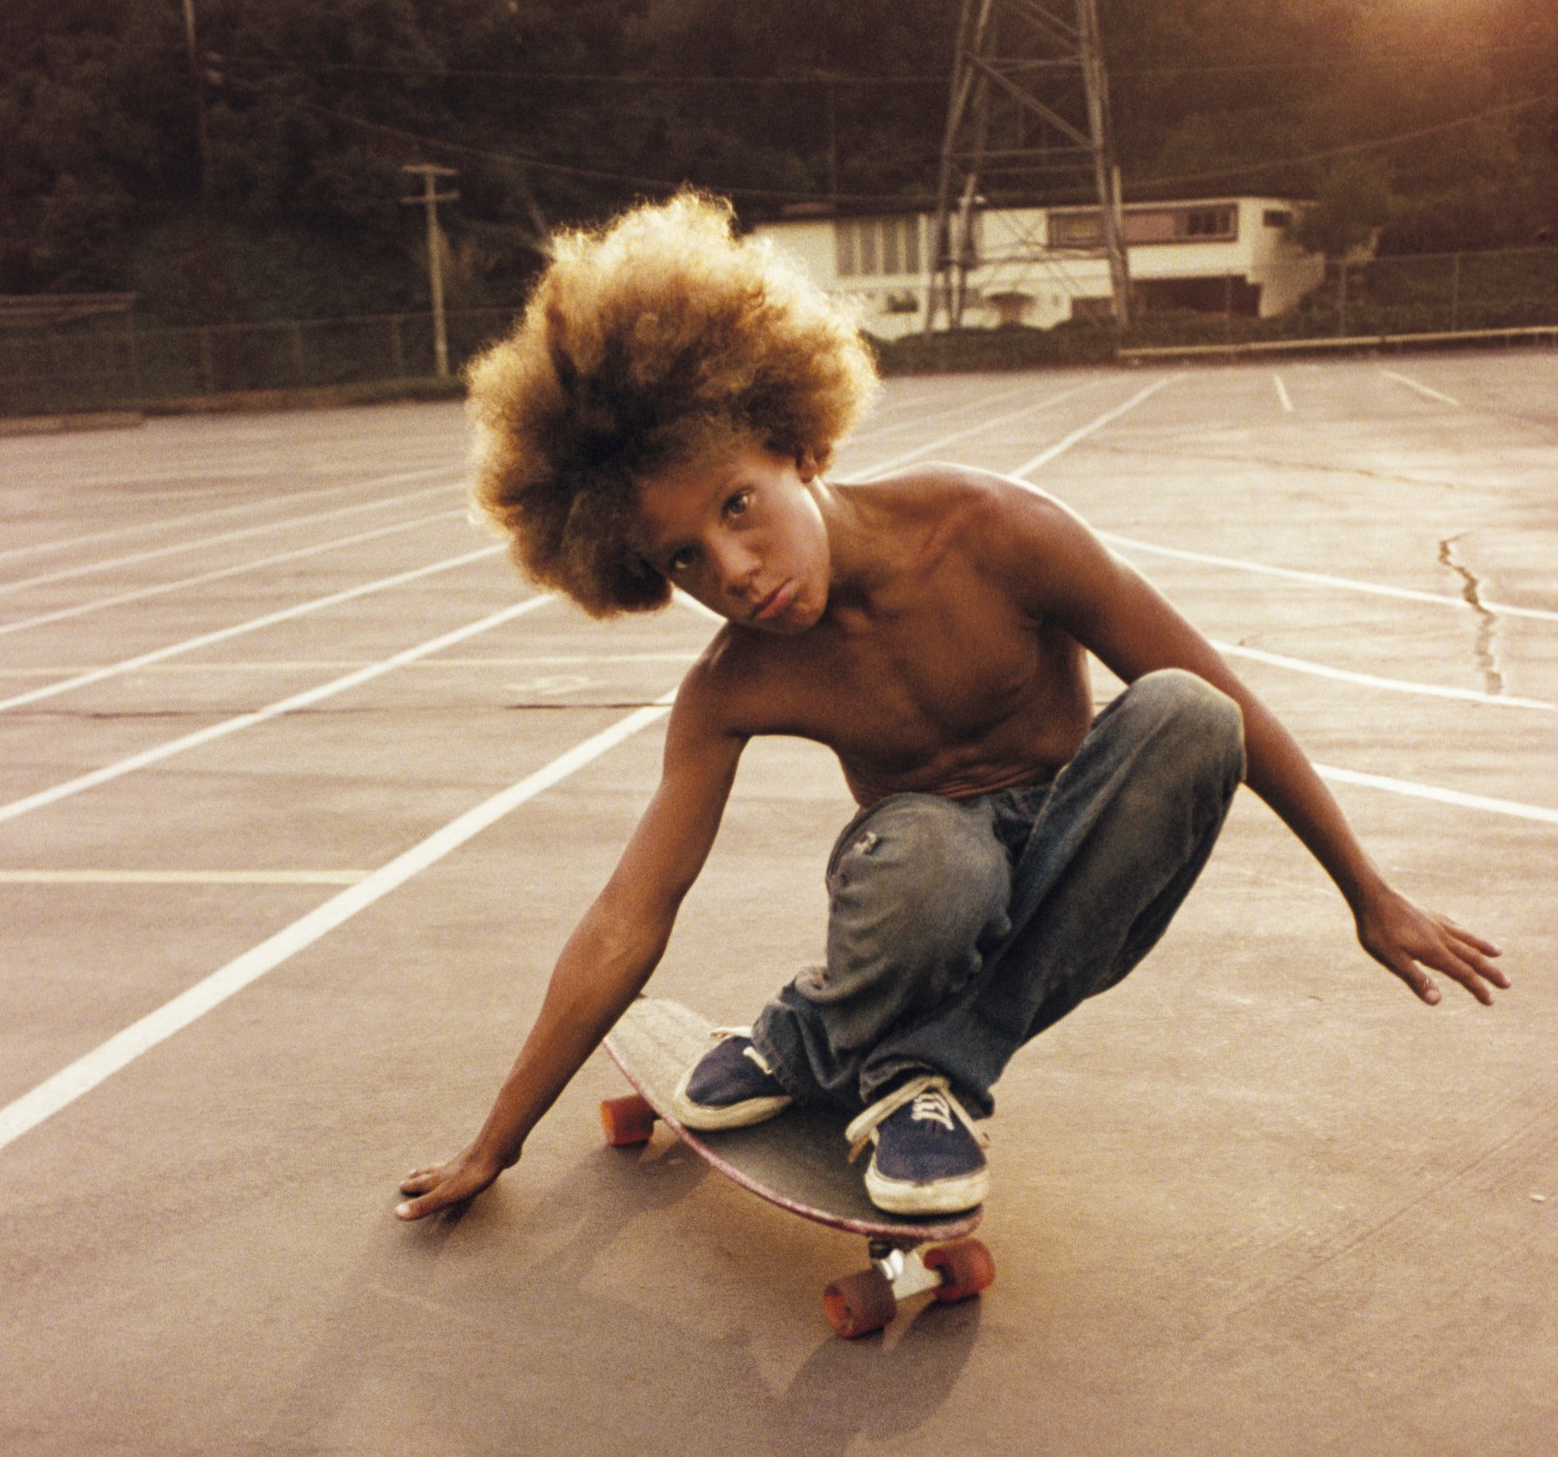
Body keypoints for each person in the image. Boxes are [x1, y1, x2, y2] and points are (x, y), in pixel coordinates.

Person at [396, 193, 1506, 1222]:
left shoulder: (997, 533)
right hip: (915, 894)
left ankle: (884, 1058)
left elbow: (1226, 696)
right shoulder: (734, 684)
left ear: (799, 443)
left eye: (740, 506)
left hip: (1079, 871)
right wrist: (496, 1140)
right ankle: (851, 1046)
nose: (732, 569)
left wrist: (1367, 891)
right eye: (683, 558)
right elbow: (629, 911)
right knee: (938, 853)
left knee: (1187, 714)